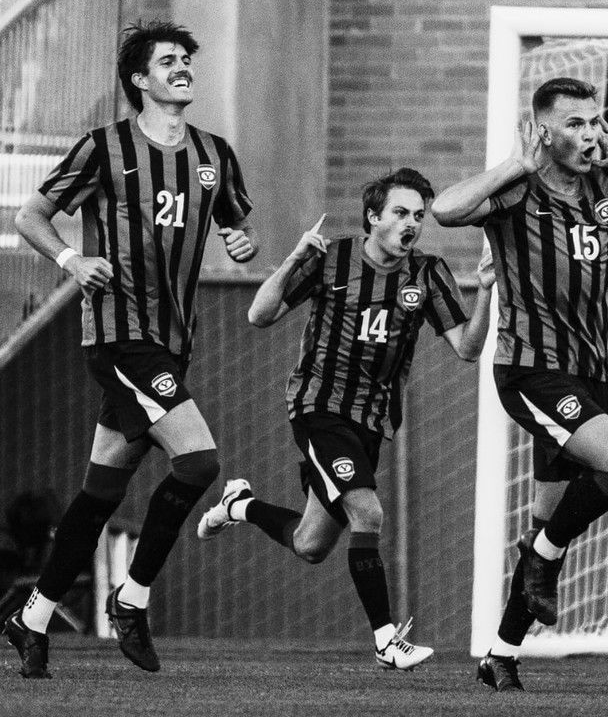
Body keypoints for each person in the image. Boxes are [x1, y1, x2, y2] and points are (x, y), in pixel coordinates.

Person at [432, 77, 608, 691]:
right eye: (575, 124)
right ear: (544, 131)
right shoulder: (516, 191)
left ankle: (501, 655)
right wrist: (514, 163)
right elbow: (446, 210)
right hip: (531, 369)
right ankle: (539, 557)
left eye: (595, 121)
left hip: (589, 373)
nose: (590, 134)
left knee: (549, 519)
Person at [3, 20, 256, 679]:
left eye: (185, 58)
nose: (182, 67)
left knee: (99, 494)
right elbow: (30, 215)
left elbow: (235, 224)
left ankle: (32, 617)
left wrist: (241, 243)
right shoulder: (104, 147)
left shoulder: (214, 154)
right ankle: (133, 599)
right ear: (140, 79)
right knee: (199, 461)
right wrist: (70, 259)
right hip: (119, 335)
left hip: (172, 342)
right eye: (167, 61)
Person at [195, 168, 494, 670]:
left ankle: (238, 505)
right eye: (400, 212)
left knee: (310, 545)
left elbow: (467, 348)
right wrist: (294, 258)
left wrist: (485, 292)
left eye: (419, 216)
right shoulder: (332, 258)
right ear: (373, 217)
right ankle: (386, 641)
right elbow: (258, 315)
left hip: (372, 422)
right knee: (368, 512)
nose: (411, 223)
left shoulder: (428, 273)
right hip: (319, 407)